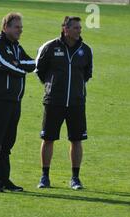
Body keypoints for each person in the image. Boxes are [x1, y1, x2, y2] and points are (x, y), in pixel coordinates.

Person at [0, 12, 36, 192]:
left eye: (21, 27)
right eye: (17, 27)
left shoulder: (16, 47)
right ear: (5, 27)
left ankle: (3, 179)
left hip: (15, 100)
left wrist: (24, 65)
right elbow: (5, 64)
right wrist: (20, 69)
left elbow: (31, 63)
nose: (20, 30)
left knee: (7, 142)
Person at [35, 16, 93, 190]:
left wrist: (76, 90)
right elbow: (40, 70)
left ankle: (75, 178)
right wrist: (52, 87)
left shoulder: (86, 50)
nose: (79, 30)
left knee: (76, 140)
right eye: (75, 28)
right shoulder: (50, 47)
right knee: (48, 138)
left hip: (76, 103)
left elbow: (87, 74)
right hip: (54, 102)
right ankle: (45, 177)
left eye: (80, 28)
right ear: (65, 29)